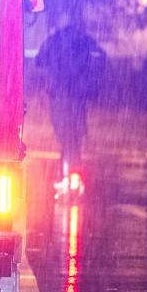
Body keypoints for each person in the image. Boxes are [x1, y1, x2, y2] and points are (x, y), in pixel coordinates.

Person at [36, 14, 105, 191]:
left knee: (66, 137)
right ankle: (72, 176)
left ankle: (69, 176)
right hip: (77, 96)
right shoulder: (84, 40)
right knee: (74, 137)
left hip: (59, 96)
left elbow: (39, 60)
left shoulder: (55, 40)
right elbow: (101, 58)